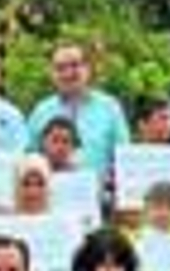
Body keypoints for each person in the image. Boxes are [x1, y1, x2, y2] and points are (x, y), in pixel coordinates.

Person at [26, 42, 131, 184]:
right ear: (52, 74)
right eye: (60, 68)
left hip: (98, 198)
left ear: (87, 69)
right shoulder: (41, 111)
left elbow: (124, 158)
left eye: (75, 65)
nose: (68, 73)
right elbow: (29, 160)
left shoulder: (110, 108)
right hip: (50, 197)